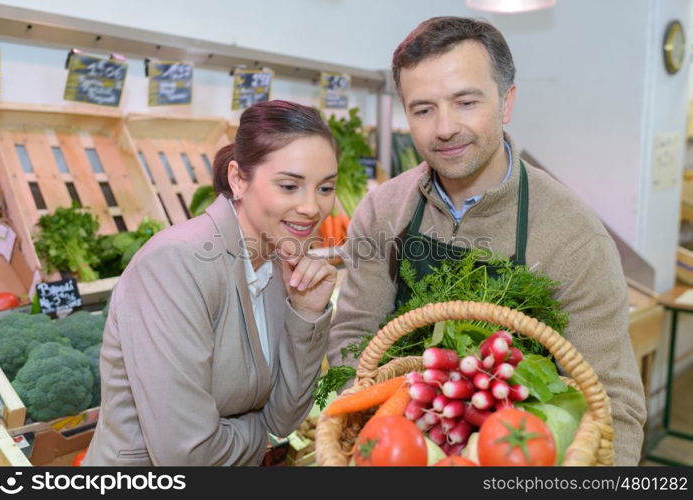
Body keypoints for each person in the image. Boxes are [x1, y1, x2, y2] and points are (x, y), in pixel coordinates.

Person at [328, 17, 646, 465]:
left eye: (465, 101)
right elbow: (354, 337)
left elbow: (613, 405)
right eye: (423, 109)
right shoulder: (382, 211)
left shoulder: (575, 236)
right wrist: (365, 434)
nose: (444, 128)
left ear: (506, 102)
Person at [84, 100, 339, 466]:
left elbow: (285, 419)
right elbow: (186, 455)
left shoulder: (278, 266)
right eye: (289, 186)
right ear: (238, 179)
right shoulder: (175, 264)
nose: (312, 208)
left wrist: (306, 314)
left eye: (325, 188)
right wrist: (259, 430)